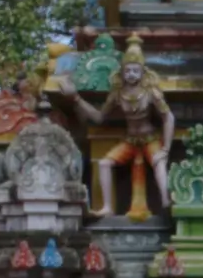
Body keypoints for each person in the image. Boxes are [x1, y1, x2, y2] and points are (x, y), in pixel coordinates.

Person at [73, 35, 176, 219]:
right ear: (122, 72)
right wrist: (76, 99)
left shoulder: (151, 93)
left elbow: (168, 117)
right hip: (130, 139)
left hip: (150, 138)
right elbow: (99, 117)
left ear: (143, 72)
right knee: (104, 163)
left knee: (159, 162)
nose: (131, 75)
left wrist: (166, 148)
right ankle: (107, 207)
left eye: (136, 71)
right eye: (127, 70)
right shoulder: (117, 94)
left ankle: (166, 202)